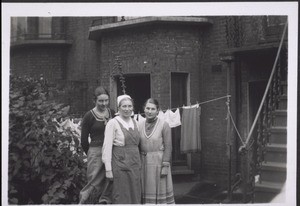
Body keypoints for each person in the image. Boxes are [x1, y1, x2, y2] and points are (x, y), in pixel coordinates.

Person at [102, 94, 142, 204]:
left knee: (135, 193)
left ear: (133, 107)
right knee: (121, 194)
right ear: (118, 107)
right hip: (120, 165)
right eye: (124, 106)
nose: (127, 109)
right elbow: (107, 147)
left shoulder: (136, 123)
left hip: (135, 164)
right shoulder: (113, 123)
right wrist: (108, 169)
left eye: (130, 106)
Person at [79, 86, 115, 204]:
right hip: (96, 152)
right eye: (100, 101)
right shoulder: (89, 116)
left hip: (111, 152)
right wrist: (91, 154)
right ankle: (86, 202)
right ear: (94, 100)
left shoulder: (112, 113)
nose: (104, 103)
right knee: (94, 182)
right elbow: (84, 140)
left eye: (106, 100)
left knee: (109, 180)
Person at [139, 98, 175, 204]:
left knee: (160, 192)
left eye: (153, 109)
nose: (149, 111)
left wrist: (165, 166)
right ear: (144, 109)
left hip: (158, 163)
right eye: (147, 108)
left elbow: (168, 146)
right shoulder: (139, 124)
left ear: (157, 110)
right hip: (144, 163)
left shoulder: (164, 125)